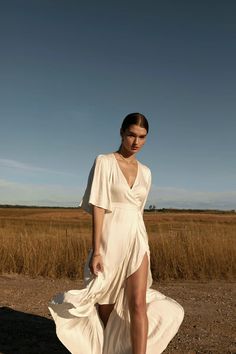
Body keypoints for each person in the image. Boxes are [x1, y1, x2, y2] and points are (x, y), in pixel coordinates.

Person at [48, 113, 184, 354]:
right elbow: (98, 207)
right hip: (110, 240)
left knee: (138, 305)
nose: (136, 142)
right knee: (106, 310)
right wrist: (97, 251)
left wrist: (141, 242)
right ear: (121, 132)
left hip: (137, 239)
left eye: (142, 137)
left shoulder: (147, 172)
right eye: (131, 134)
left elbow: (138, 211)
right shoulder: (104, 161)